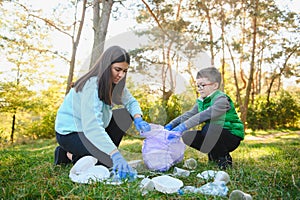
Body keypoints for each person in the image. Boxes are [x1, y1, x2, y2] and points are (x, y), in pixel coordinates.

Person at [54, 46, 151, 180]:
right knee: (106, 161)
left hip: (90, 131)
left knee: (123, 115)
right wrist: (115, 154)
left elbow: (131, 102)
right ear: (106, 66)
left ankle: (103, 155)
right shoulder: (92, 85)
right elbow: (93, 127)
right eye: (117, 69)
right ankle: (65, 154)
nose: (121, 75)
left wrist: (138, 118)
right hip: (71, 133)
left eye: (125, 71)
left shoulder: (115, 84)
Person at [165, 67, 244, 169]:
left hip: (231, 136)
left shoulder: (222, 99)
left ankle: (224, 158)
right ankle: (213, 156)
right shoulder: (202, 102)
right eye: (197, 85)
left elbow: (205, 115)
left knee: (208, 128)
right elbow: (189, 114)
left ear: (215, 85)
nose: (199, 88)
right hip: (215, 133)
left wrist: (183, 126)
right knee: (187, 136)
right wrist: (171, 125)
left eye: (202, 85)